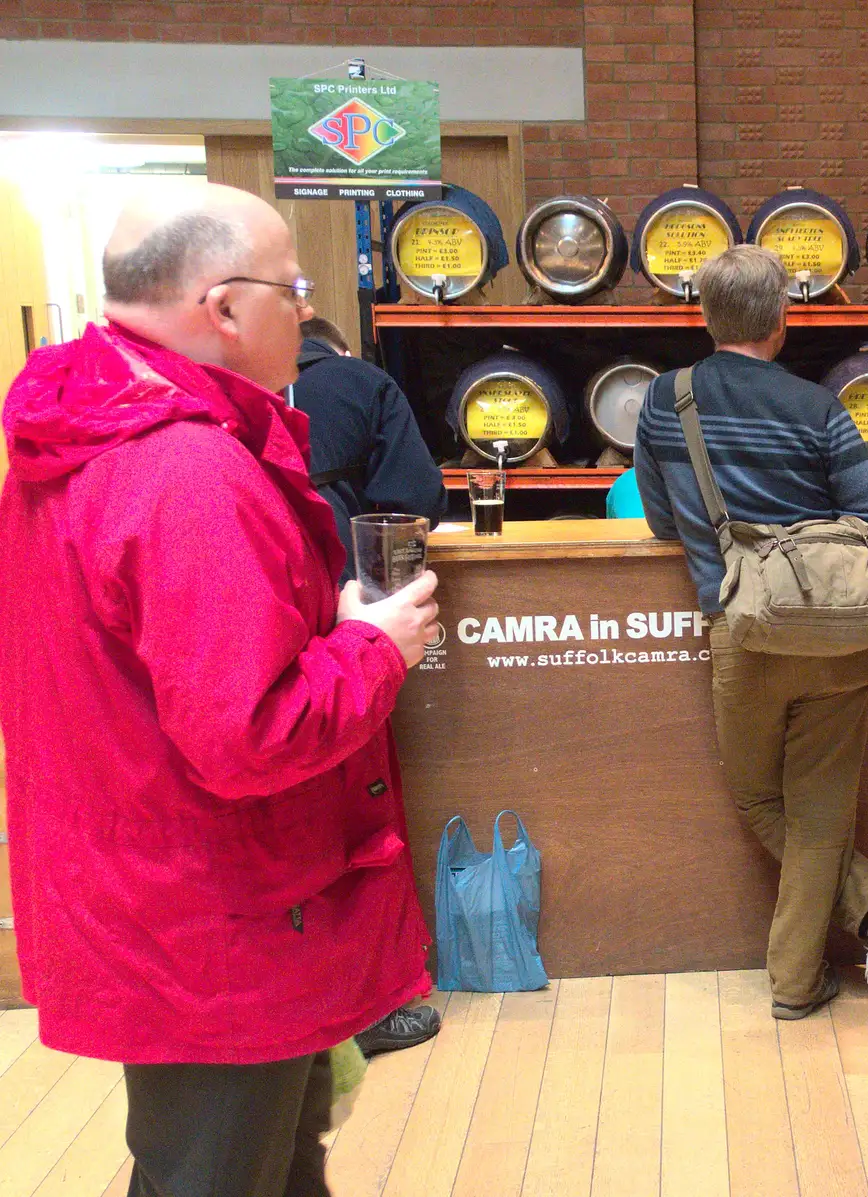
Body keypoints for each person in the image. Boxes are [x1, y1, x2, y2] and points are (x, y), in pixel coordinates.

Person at [0, 183, 440, 1195]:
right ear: (225, 307)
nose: (306, 307)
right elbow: (251, 734)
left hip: (151, 888)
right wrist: (377, 647)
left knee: (267, 1167)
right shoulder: (187, 471)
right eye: (294, 287)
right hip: (216, 917)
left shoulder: (87, 432)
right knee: (217, 1174)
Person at [632, 245, 868, 1019]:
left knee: (760, 799)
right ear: (782, 322)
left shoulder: (667, 400)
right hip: (836, 636)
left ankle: (848, 936)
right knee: (821, 810)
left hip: (743, 629)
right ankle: (860, 923)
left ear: (704, 316)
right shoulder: (818, 407)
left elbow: (662, 517)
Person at [289, 315, 445, 1058]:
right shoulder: (361, 382)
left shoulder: (212, 413)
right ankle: (371, 1001)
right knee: (360, 797)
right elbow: (413, 500)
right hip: (344, 593)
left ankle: (300, 990)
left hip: (270, 594)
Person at [290, 315, 446, 587]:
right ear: (346, 354)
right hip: (338, 572)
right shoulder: (366, 379)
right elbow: (419, 501)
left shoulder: (241, 378)